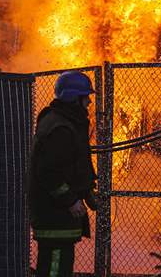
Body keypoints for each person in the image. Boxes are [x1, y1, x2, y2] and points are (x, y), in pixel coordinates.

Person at [30, 71, 98, 277]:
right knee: (55, 267)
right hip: (55, 214)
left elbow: (74, 165)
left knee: (59, 265)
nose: (89, 101)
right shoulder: (60, 128)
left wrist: (86, 193)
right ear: (73, 97)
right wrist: (70, 200)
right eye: (85, 96)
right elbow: (48, 172)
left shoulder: (64, 122)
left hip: (57, 214)